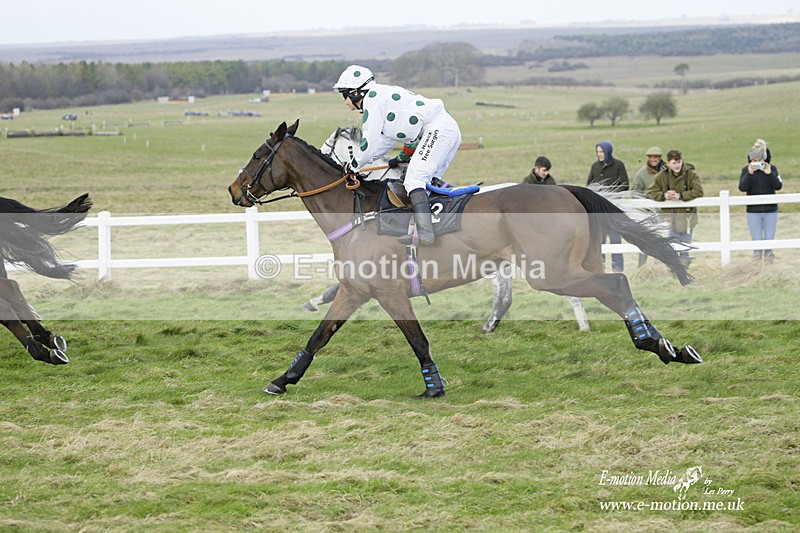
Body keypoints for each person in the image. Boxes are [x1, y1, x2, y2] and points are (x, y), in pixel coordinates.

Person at [333, 64, 462, 246]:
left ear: (355, 92)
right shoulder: (380, 97)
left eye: (344, 95)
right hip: (445, 128)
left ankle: (426, 233)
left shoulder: (372, 100)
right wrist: (397, 159)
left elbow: (368, 143)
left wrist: (353, 165)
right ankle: (437, 226)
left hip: (438, 129)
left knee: (414, 181)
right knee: (427, 182)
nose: (345, 101)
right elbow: (385, 142)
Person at [646, 149, 704, 265]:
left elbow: (699, 191)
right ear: (668, 163)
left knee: (685, 249)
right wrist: (664, 195)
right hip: (668, 219)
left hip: (687, 219)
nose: (677, 165)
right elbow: (650, 192)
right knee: (670, 249)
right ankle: (673, 272)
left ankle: (684, 274)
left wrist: (681, 196)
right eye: (674, 163)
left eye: (679, 162)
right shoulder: (661, 176)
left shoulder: (691, 174)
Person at [587, 140, 628, 272]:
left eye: (602, 151)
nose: (599, 154)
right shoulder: (595, 167)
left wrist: (609, 196)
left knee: (616, 241)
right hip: (599, 213)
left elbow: (625, 185)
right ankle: (600, 270)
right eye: (598, 152)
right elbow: (589, 186)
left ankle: (618, 271)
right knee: (599, 243)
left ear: (608, 152)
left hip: (613, 212)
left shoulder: (618, 165)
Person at [738, 140, 782, 262]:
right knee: (756, 243)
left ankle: (769, 269)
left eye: (759, 160)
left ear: (764, 159)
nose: (757, 163)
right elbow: (742, 187)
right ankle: (756, 269)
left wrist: (769, 174)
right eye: (754, 161)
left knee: (769, 243)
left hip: (771, 211)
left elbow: (778, 186)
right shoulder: (746, 171)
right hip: (753, 212)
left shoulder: (772, 169)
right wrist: (749, 174)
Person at [631, 146, 666, 266]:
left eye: (656, 157)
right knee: (645, 241)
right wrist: (645, 205)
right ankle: (642, 267)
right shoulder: (641, 174)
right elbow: (635, 192)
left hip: (664, 213)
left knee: (663, 240)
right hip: (647, 214)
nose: (653, 159)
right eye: (651, 157)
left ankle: (661, 266)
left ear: (660, 158)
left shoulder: (667, 172)